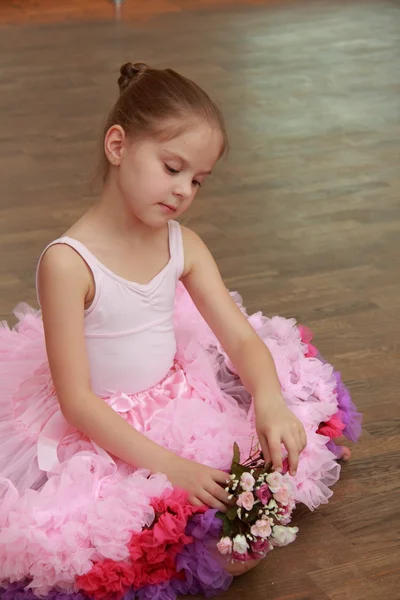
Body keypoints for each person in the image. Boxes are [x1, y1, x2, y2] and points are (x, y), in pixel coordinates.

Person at [0, 62, 361, 600]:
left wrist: (268, 399)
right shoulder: (68, 263)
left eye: (196, 179)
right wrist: (174, 468)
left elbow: (239, 338)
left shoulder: (183, 244)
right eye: (171, 167)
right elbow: (78, 401)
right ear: (118, 146)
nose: (183, 190)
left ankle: (227, 528)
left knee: (275, 442)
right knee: (126, 536)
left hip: (175, 396)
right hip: (100, 422)